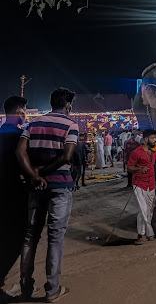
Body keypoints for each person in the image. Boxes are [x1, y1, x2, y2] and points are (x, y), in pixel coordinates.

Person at [16, 88, 78, 302]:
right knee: (55, 238)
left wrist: (34, 175)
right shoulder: (70, 125)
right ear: (68, 104)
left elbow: (20, 151)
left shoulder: (32, 124)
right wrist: (42, 173)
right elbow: (67, 156)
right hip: (60, 186)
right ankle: (52, 290)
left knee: (30, 236)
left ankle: (25, 286)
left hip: (36, 187)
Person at [0, 96, 28, 303]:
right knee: (16, 239)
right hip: (14, 193)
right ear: (18, 111)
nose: (25, 113)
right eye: (24, 110)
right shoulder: (20, 137)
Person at [127, 129, 156, 245]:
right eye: (153, 138)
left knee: (149, 211)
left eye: (155, 138)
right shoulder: (136, 152)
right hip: (140, 184)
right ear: (146, 139)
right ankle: (144, 234)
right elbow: (129, 167)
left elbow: (155, 158)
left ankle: (145, 233)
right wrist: (139, 169)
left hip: (151, 184)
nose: (155, 140)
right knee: (143, 210)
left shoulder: (153, 151)